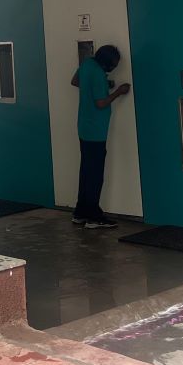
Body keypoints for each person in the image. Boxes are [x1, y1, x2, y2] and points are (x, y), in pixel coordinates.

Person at [72, 45, 131, 229]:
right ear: (107, 63)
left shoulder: (87, 64)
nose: (114, 67)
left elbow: (75, 81)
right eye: (114, 64)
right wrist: (118, 92)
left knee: (86, 172)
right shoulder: (98, 73)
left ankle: (80, 212)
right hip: (96, 131)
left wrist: (102, 86)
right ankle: (93, 216)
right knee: (95, 175)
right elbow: (101, 103)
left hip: (84, 126)